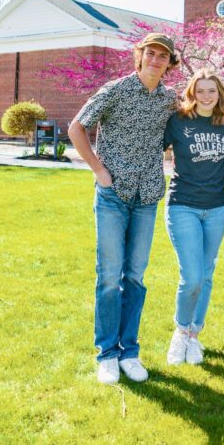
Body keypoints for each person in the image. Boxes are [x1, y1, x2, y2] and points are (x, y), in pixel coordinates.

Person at [68, 32, 178, 384]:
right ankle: (107, 354)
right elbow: (76, 127)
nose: (156, 60)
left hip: (147, 197)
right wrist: (99, 170)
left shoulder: (169, 100)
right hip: (113, 194)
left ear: (169, 64)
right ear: (140, 56)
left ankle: (129, 351)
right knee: (109, 276)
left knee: (135, 277)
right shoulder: (115, 90)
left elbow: (192, 125)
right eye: (151, 53)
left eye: (163, 56)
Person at [163, 70, 224, 366]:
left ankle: (194, 337)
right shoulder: (178, 121)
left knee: (205, 274)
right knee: (191, 276)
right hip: (183, 206)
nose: (206, 95)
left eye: (211, 91)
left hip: (216, 207)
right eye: (200, 90)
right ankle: (180, 333)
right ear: (192, 93)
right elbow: (152, 147)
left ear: (219, 94)